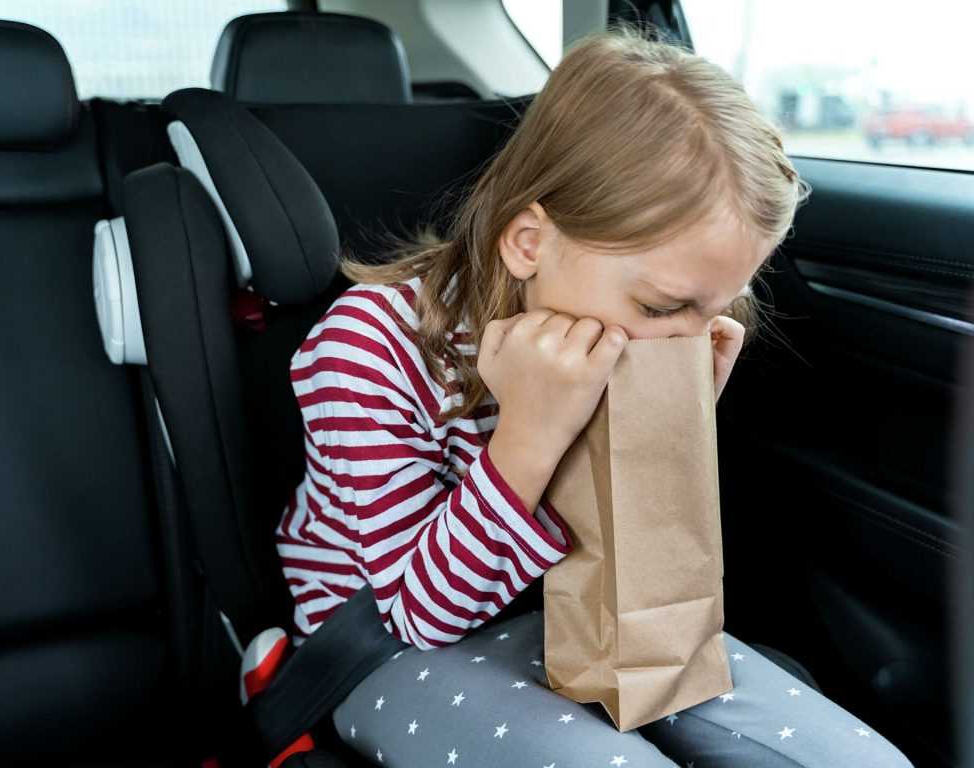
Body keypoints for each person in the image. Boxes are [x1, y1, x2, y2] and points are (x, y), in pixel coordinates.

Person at [253, 25, 915, 768]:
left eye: (718, 307)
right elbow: (419, 616)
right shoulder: (369, 346)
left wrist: (672, 429)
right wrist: (529, 435)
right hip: (386, 649)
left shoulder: (637, 334)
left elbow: (634, 543)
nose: (686, 338)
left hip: (591, 609)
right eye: (664, 307)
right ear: (530, 244)